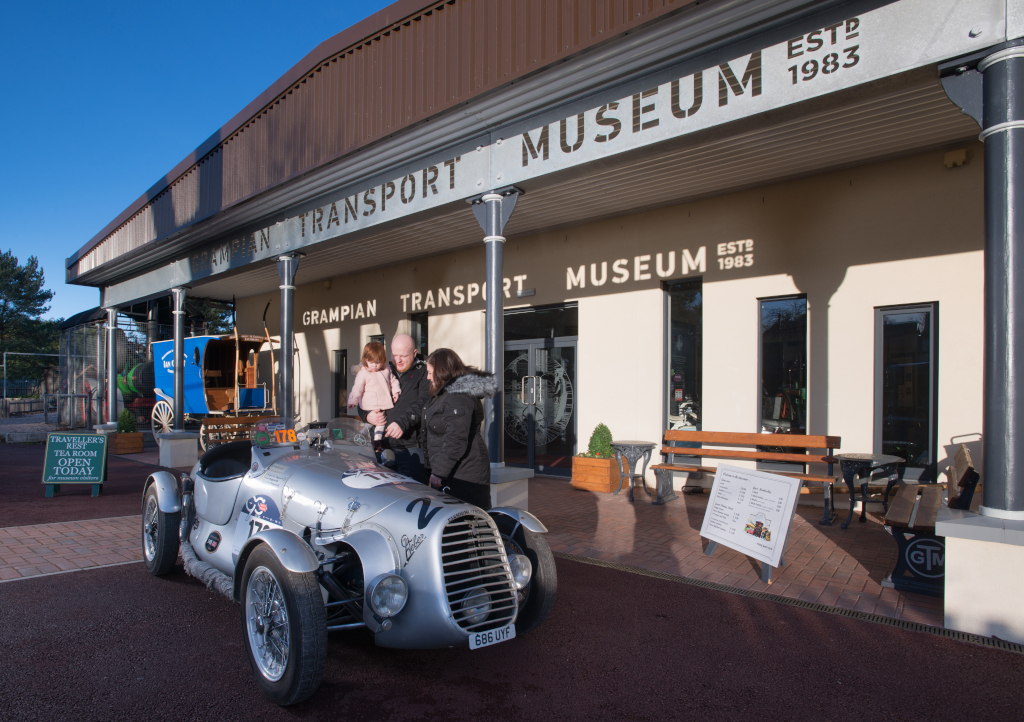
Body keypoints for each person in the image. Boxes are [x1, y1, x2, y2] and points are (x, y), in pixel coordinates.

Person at [423, 348, 497, 510]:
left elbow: (456, 438)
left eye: (430, 372)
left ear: (441, 371)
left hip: (465, 474)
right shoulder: (447, 393)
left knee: (470, 522)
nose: (428, 377)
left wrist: (439, 472)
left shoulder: (458, 396)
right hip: (454, 472)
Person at [359, 334, 432, 482]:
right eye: (394, 355)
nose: (398, 360)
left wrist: (402, 423)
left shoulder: (423, 372)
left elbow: (424, 402)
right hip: (381, 447)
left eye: (403, 356)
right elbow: (361, 397)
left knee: (411, 495)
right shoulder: (381, 369)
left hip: (410, 448)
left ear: (414, 353)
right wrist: (366, 415)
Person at [347, 341, 400, 447]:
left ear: (383, 360)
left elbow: (393, 381)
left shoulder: (386, 369)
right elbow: (357, 388)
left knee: (380, 422)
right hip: (370, 403)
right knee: (373, 422)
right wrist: (353, 401)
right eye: (371, 362)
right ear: (365, 360)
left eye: (378, 362)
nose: (375, 366)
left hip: (383, 402)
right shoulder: (363, 372)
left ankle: (377, 440)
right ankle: (364, 437)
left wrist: (396, 392)